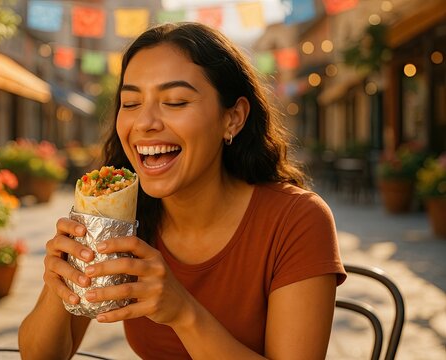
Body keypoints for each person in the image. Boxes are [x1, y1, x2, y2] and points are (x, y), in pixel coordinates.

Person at [19, 22, 346, 359]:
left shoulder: (298, 220)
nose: (145, 123)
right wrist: (58, 282)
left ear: (233, 119)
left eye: (175, 102)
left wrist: (183, 314)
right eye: (130, 103)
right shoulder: (121, 220)